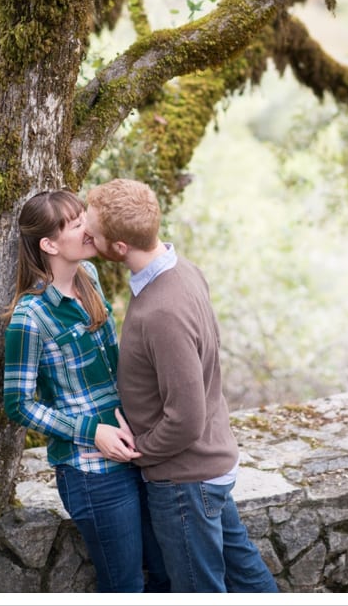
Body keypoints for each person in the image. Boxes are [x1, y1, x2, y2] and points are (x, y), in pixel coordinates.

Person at [85, 178, 280, 594]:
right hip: (205, 467)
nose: (86, 233)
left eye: (94, 232)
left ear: (119, 248)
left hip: (184, 481)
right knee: (245, 575)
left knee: (198, 590)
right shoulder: (182, 269)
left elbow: (186, 417)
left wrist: (141, 452)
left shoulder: (161, 311)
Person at [3, 189, 169, 594]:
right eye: (77, 224)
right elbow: (18, 403)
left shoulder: (90, 278)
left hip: (136, 451)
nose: (89, 229)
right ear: (49, 244)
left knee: (167, 573)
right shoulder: (30, 316)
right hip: (92, 471)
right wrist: (92, 431)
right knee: (125, 586)